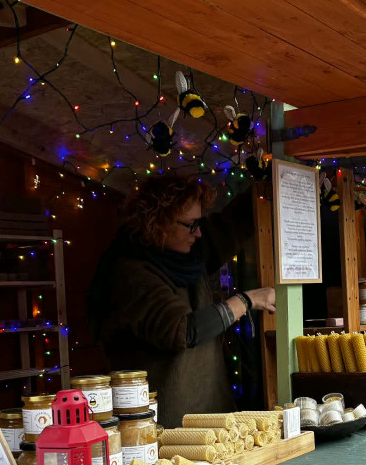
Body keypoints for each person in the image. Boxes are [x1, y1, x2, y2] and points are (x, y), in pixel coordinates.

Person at [88, 175, 275, 427]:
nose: (198, 233)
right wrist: (246, 300)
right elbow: (182, 331)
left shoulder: (186, 253)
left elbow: (233, 222)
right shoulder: (128, 273)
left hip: (211, 416)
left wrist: (277, 183)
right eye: (191, 224)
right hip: (165, 428)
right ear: (158, 223)